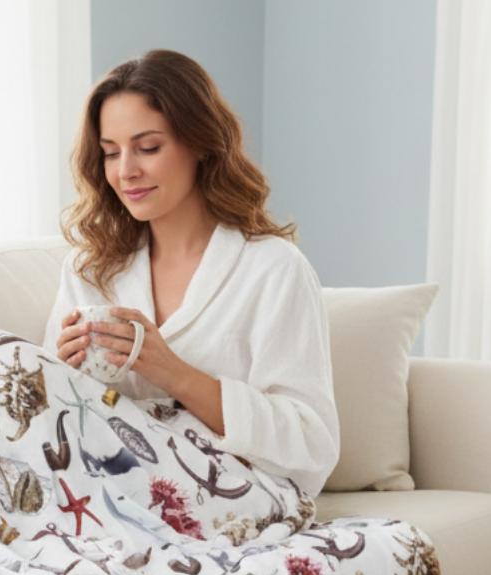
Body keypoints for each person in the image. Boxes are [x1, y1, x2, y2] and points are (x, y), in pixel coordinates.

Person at [42, 49, 341, 497]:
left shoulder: (272, 269)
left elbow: (312, 443)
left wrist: (175, 374)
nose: (126, 172)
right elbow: (48, 426)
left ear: (200, 143)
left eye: (148, 148)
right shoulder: (91, 269)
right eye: (110, 153)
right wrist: (57, 372)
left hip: (224, 494)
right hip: (102, 489)